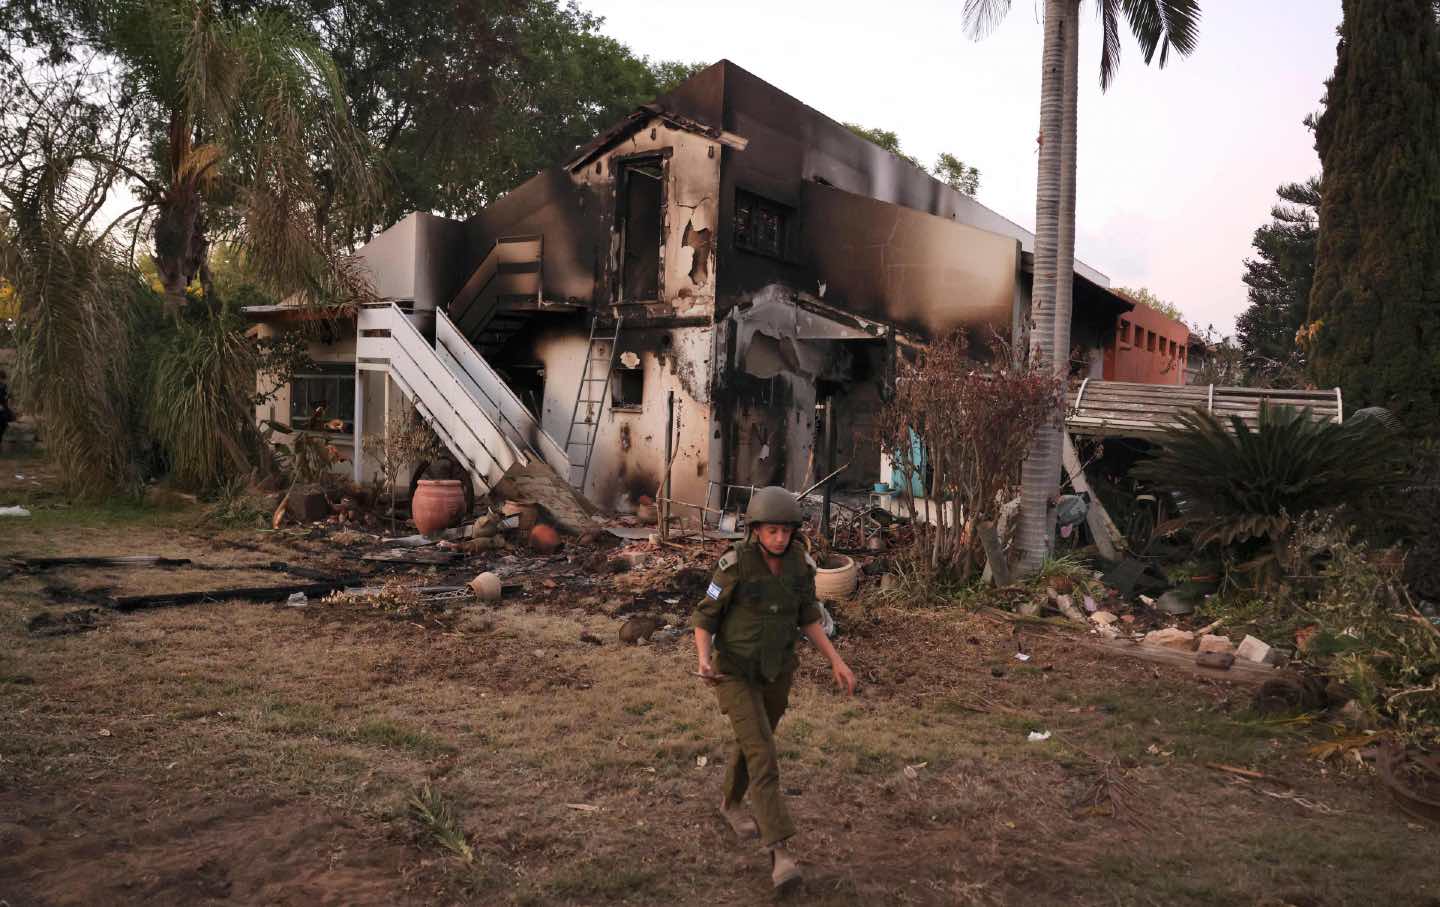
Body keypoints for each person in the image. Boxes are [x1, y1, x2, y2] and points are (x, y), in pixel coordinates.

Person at [690, 486, 857, 894]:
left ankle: (730, 803)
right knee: (763, 754)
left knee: (756, 741)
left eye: (785, 531)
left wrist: (836, 660)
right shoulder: (733, 566)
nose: (779, 538)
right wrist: (704, 658)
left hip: (776, 671)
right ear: (755, 530)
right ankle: (780, 853)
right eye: (771, 531)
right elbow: (704, 616)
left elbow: (808, 616)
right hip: (733, 672)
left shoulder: (801, 566)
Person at [0, 369, 12, 449]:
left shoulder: (4, 386)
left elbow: (6, 397)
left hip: (3, 407)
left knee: (4, 423)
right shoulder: (3, 386)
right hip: (1, 407)